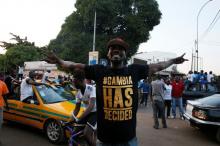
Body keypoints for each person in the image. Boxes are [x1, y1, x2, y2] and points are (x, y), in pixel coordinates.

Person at [44, 37, 187, 145]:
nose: (116, 49)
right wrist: (59, 61)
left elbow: (158, 66)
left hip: (129, 140)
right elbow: (74, 66)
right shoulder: (99, 70)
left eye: (120, 48)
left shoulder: (135, 70)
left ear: (125, 54)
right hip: (105, 140)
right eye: (112, 48)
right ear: (108, 54)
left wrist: (173, 61)